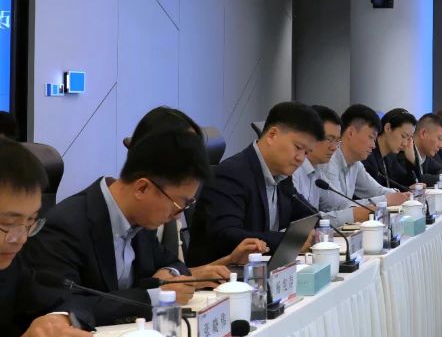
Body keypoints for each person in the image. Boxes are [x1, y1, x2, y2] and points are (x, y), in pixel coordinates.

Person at [25, 129, 230, 323]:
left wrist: (170, 277)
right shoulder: (66, 225)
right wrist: (153, 296)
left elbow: (173, 263)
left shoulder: (141, 218)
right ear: (142, 188)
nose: (178, 216)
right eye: (178, 205)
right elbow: (63, 307)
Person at [0, 139, 96, 337]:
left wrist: (57, 320)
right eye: (8, 224)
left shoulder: (11, 266)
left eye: (29, 222)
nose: (20, 239)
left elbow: (67, 299)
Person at [124, 106, 266, 266]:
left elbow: (172, 273)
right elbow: (159, 278)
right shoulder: (143, 215)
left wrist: (229, 261)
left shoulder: (155, 213)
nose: (177, 216)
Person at [188, 102, 322, 266]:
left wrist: (314, 229)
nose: (301, 158)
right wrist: (289, 241)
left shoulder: (283, 176)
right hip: (220, 276)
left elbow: (308, 216)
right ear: (272, 135)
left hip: (261, 270)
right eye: (298, 147)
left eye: (306, 152)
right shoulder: (231, 173)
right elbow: (227, 236)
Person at [293, 104, 372, 224]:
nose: (334, 147)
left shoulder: (317, 170)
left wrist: (367, 209)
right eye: (329, 139)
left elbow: (339, 203)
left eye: (337, 140)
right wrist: (354, 215)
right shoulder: (292, 170)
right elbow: (303, 222)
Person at [321, 104, 410, 209]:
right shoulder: (329, 159)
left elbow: (376, 191)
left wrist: (402, 195)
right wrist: (386, 199)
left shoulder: (355, 163)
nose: (373, 145)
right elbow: (339, 205)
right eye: (371, 137)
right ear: (351, 133)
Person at [363, 108, 417, 191]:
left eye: (409, 139)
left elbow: (409, 184)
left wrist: (411, 160)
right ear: (388, 128)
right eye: (403, 136)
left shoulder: (390, 157)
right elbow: (374, 192)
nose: (405, 143)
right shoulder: (368, 155)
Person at [407, 113, 442, 183]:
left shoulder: (426, 155)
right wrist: (424, 178)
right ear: (423, 133)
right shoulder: (404, 152)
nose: (441, 146)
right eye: (439, 138)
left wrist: (425, 178)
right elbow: (414, 180)